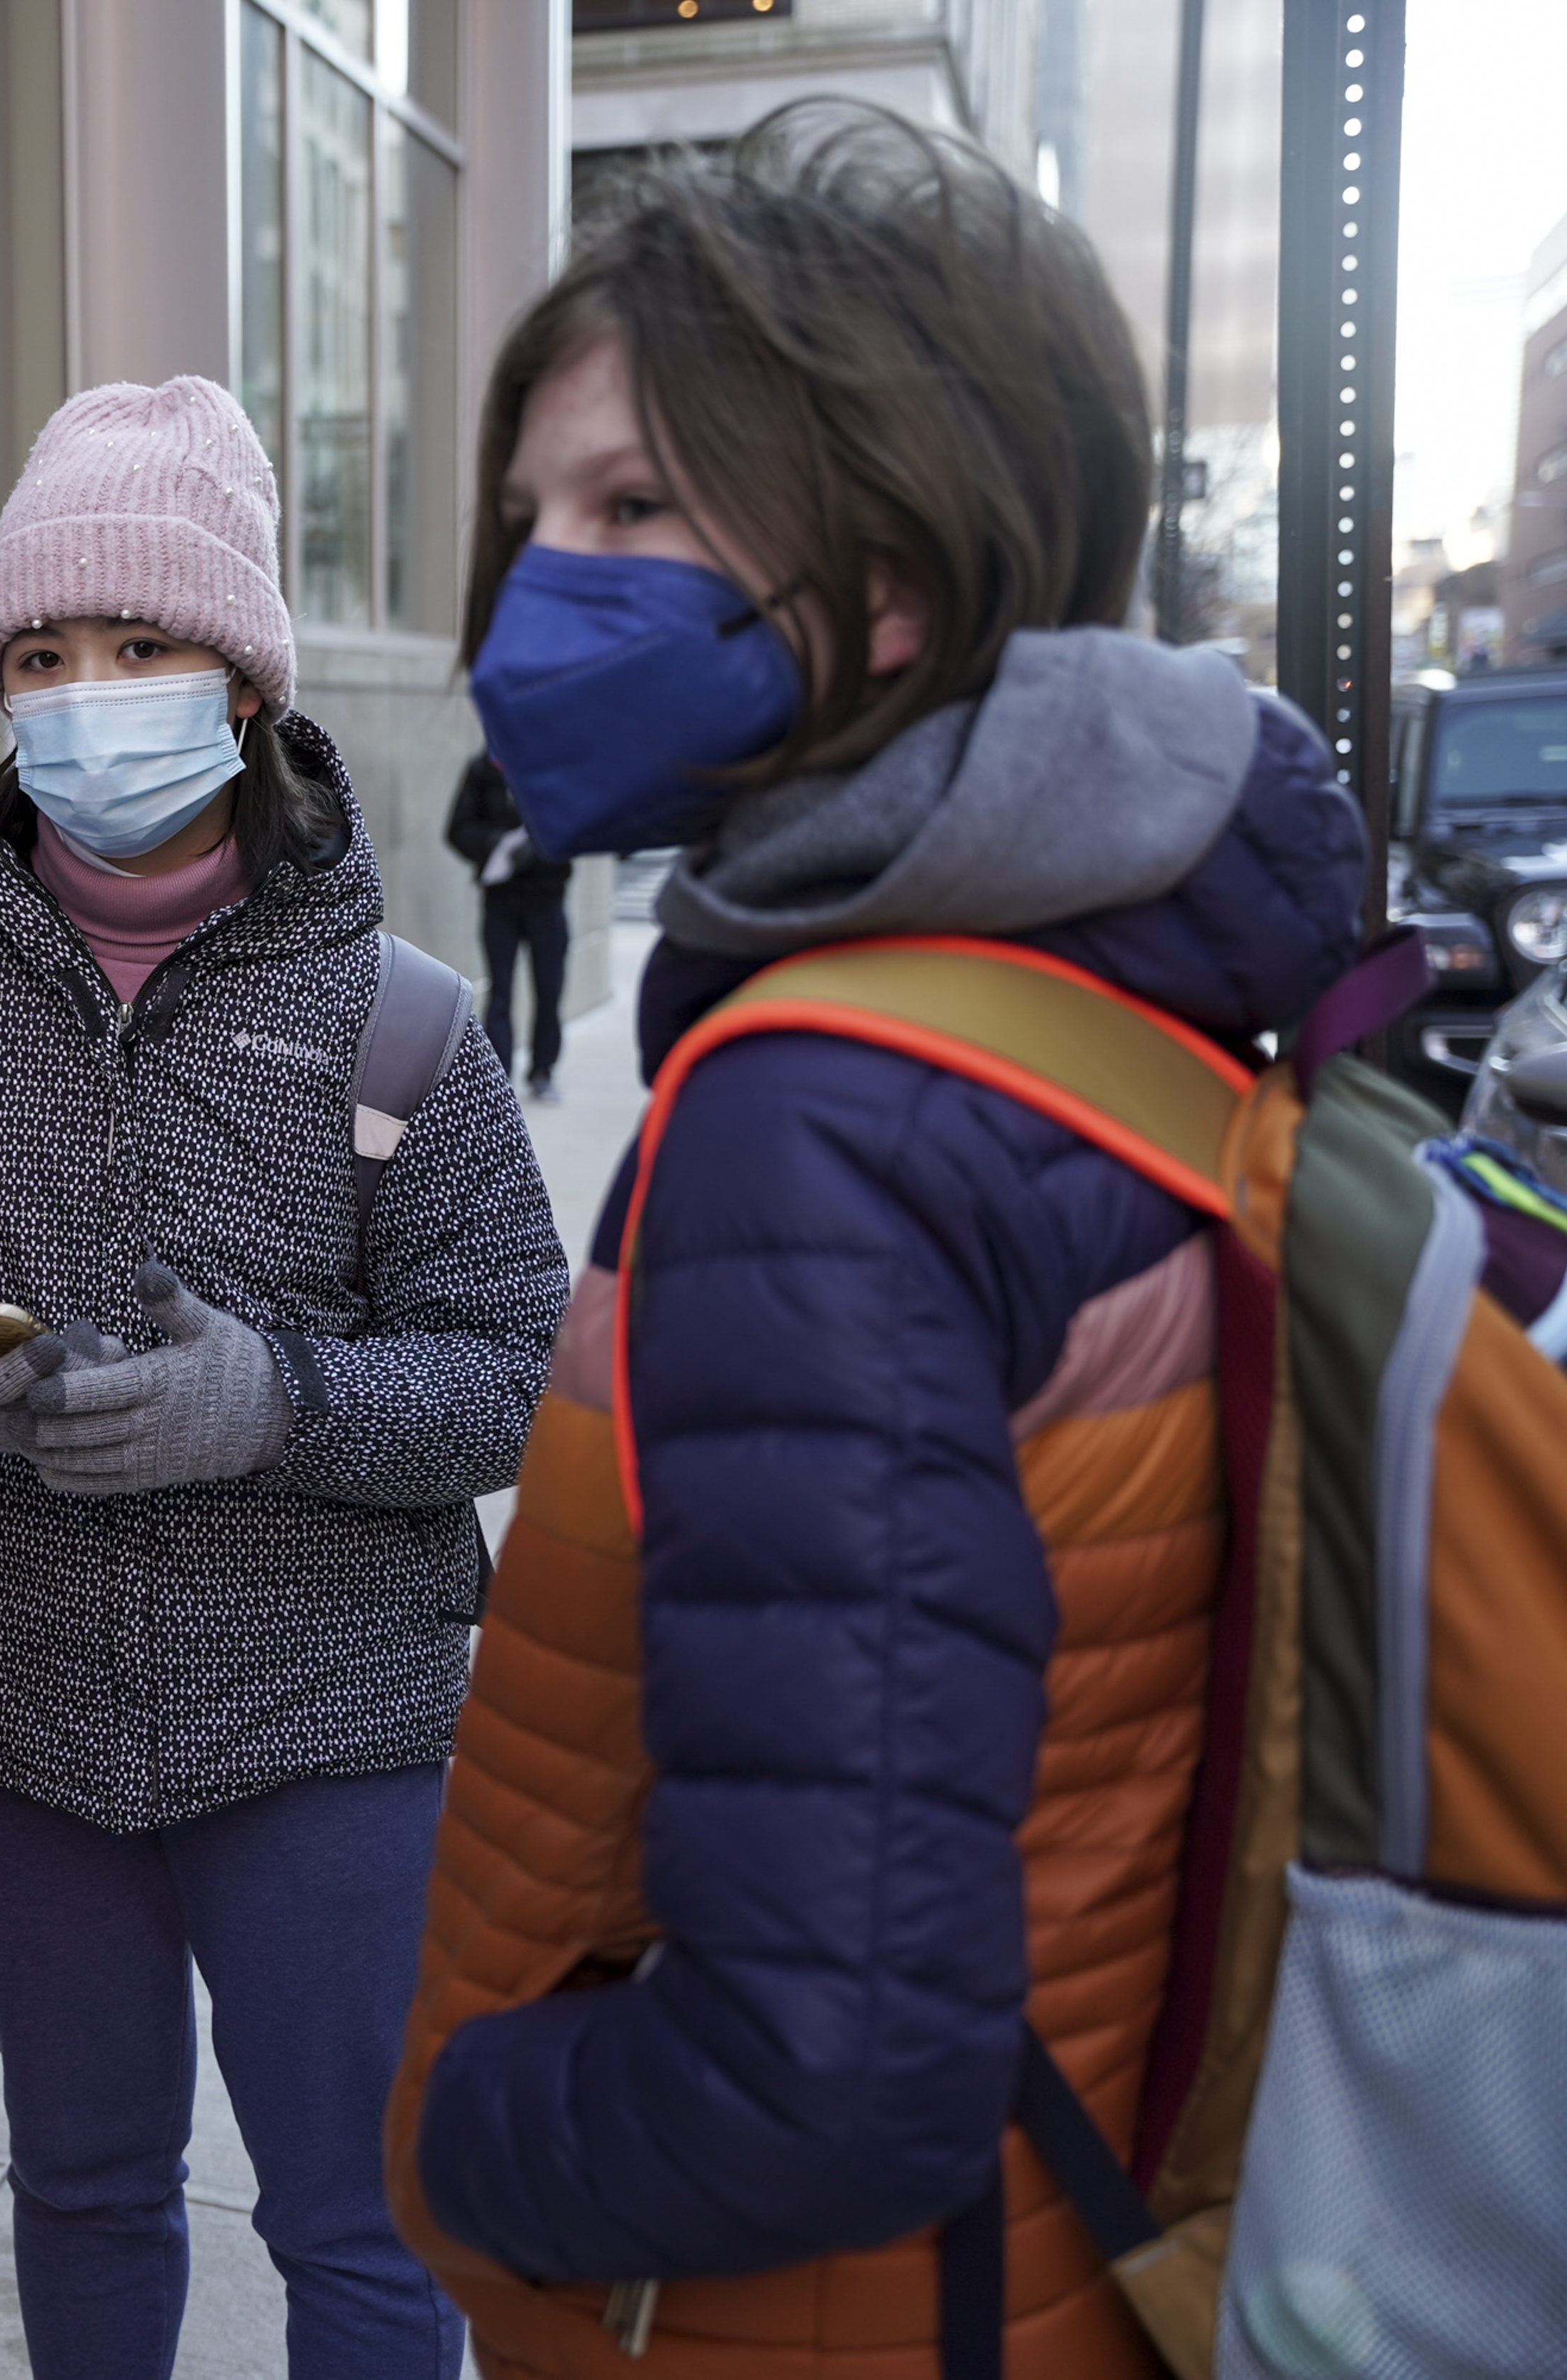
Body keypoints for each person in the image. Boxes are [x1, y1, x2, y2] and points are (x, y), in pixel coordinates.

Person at [383, 106, 1361, 2374]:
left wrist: (460, 2134)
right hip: (1065, 2222)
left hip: (821, 2314)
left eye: (632, 508)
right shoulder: (1124, 980)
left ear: (894, 579)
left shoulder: (820, 1120)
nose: (540, 589)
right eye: (530, 515)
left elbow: (817, 2060)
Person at [0, 374, 568, 2379]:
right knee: (83, 2178)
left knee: (359, 2218)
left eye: (142, 642)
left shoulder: (400, 1013)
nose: (89, 691)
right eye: (41, 652)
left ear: (247, 680)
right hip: (14, 1723)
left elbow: (518, 1367)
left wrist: (277, 1398)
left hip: (333, 1730)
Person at [442, 749, 570, 1101]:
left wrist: (541, 851)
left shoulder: (552, 766)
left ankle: (543, 1070)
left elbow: (573, 824)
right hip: (501, 900)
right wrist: (494, 842)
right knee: (500, 990)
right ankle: (499, 1074)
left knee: (550, 987)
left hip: (548, 898)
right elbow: (457, 830)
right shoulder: (482, 770)